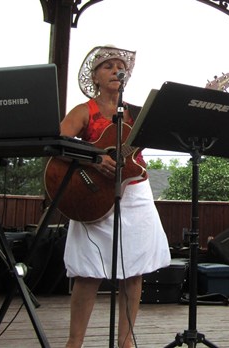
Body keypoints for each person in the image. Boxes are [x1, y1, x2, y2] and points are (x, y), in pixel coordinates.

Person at [60, 45, 171, 348]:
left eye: (119, 66)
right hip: (92, 193)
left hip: (135, 192)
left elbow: (162, 130)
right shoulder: (84, 111)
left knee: (133, 270)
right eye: (107, 66)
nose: (115, 70)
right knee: (87, 272)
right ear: (95, 77)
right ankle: (74, 342)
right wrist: (93, 159)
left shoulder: (136, 114)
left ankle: (126, 342)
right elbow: (58, 143)